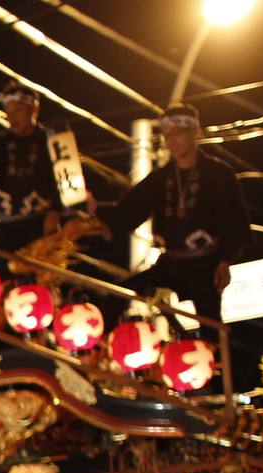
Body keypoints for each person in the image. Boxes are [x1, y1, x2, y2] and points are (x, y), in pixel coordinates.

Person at [101, 103, 249, 321]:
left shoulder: (219, 173)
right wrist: (101, 215)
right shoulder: (161, 178)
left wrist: (225, 261)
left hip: (205, 264)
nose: (171, 141)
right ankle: (98, 347)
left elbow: (233, 219)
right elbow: (132, 207)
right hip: (170, 262)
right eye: (167, 135)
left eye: (177, 133)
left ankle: (209, 347)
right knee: (121, 292)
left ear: (194, 131)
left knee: (210, 323)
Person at [0, 83, 64, 252]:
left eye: (17, 110)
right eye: (8, 112)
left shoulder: (53, 141)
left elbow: (67, 178)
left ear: (34, 110)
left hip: (41, 222)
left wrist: (55, 211)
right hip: (6, 224)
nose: (12, 118)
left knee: (40, 274)